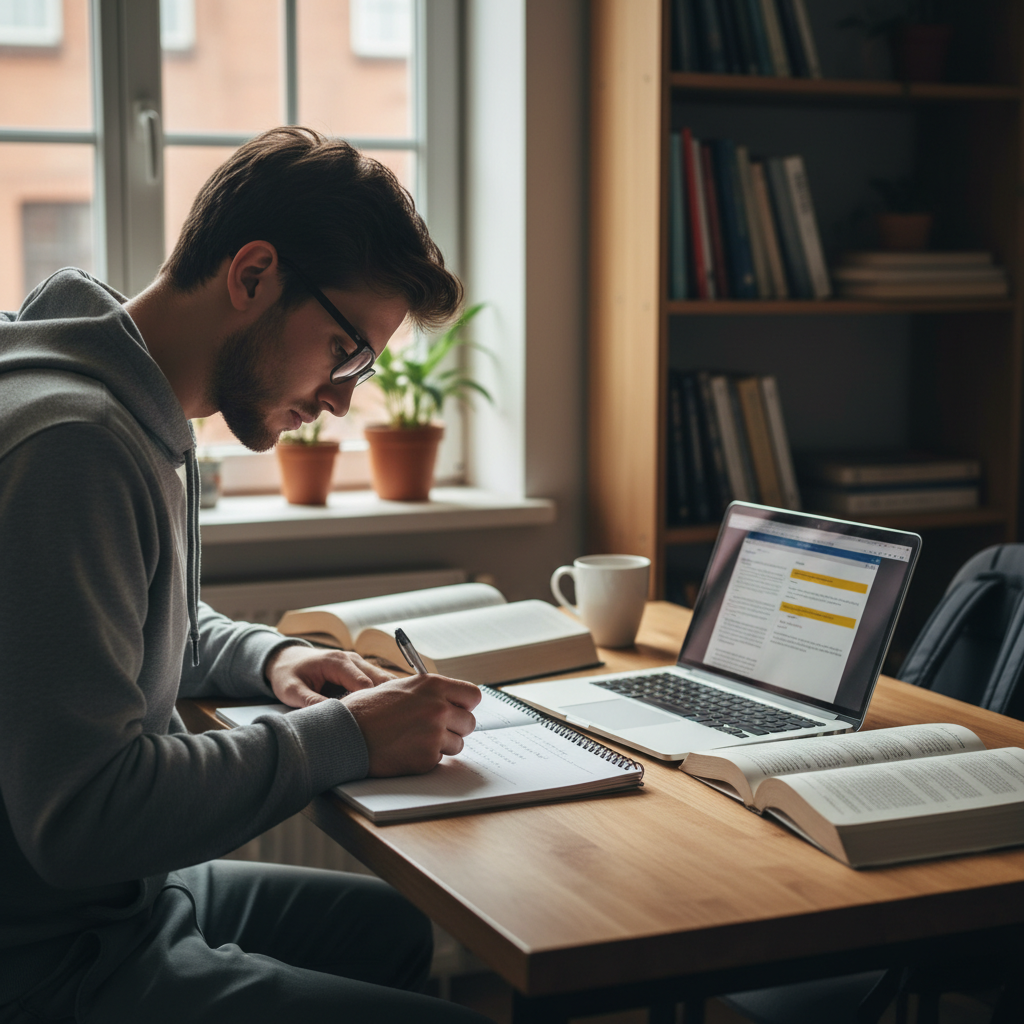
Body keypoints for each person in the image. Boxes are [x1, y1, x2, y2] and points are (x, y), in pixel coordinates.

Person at [0, 127, 492, 1023]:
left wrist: (270, 657)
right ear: (255, 274)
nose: (342, 398)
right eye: (345, 350)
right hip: (54, 960)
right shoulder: (75, 447)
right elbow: (82, 819)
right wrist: (345, 737)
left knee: (391, 930)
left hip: (118, 905)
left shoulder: (127, 396)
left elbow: (129, 629)